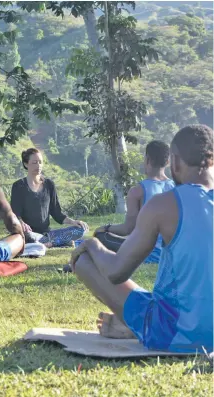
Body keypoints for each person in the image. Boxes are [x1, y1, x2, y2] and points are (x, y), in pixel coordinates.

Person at [70, 125, 213, 353]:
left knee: (85, 259)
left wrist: (92, 243)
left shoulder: (163, 204)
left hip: (174, 333)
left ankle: (138, 326)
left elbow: (117, 272)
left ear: (174, 162)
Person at [94, 140, 175, 263]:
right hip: (170, 254)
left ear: (147, 160)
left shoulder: (137, 191)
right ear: (168, 162)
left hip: (147, 254)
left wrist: (105, 227)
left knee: (100, 236)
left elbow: (128, 229)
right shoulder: (177, 188)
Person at [11, 148, 88, 248]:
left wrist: (73, 222)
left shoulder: (49, 185)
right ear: (26, 164)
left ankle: (49, 244)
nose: (38, 165)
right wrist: (21, 223)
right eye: (34, 162)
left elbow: (57, 213)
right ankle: (59, 242)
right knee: (28, 237)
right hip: (29, 234)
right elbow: (14, 214)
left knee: (80, 229)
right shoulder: (19, 186)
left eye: (40, 162)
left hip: (48, 234)